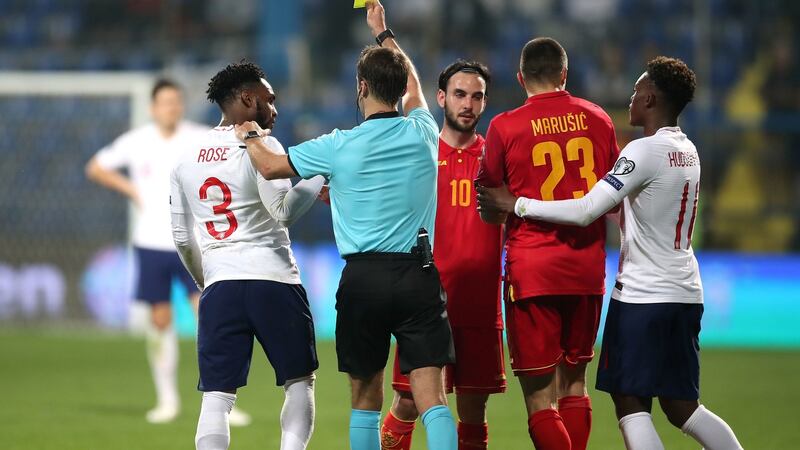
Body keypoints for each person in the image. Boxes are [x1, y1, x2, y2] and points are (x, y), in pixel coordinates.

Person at [476, 57, 744, 450]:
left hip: (642, 295)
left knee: (630, 404)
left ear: (651, 98)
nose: (631, 98)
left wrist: (518, 204)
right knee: (683, 407)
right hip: (685, 291)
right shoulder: (688, 150)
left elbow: (587, 210)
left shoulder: (642, 151)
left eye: (636, 91)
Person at [233, 2, 458, 449]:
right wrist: (383, 33)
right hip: (418, 274)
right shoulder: (423, 131)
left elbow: (274, 168)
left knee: (365, 399)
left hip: (364, 279)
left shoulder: (338, 145)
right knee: (431, 398)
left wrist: (251, 135)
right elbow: (413, 84)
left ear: (361, 87)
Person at [170, 61, 325, 450]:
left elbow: (181, 238)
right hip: (273, 279)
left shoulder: (186, 158)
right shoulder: (263, 145)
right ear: (246, 99)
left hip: (221, 285)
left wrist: (207, 281)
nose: (275, 109)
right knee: (299, 382)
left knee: (217, 396)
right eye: (269, 100)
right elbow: (284, 211)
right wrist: (322, 174)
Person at [474, 37, 619, 450]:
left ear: (521, 78)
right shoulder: (598, 119)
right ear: (565, 75)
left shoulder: (505, 126)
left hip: (533, 270)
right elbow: (610, 197)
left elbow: (490, 206)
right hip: (588, 270)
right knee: (575, 384)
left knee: (540, 398)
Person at [85, 80, 249, 426]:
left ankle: (222, 402)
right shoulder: (137, 140)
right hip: (151, 243)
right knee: (160, 321)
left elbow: (237, 156)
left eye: (175, 101)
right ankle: (167, 400)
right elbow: (96, 167)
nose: (170, 108)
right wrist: (130, 188)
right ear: (152, 107)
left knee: (210, 317)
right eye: (164, 102)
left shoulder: (199, 136)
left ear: (181, 105)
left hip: (195, 242)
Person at [380, 60, 505, 450]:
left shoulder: (498, 158)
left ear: (485, 102)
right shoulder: (421, 150)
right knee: (406, 402)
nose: (468, 103)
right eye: (459, 94)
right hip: (425, 303)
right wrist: (384, 34)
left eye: (477, 96)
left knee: (473, 410)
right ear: (441, 98)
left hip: (482, 306)